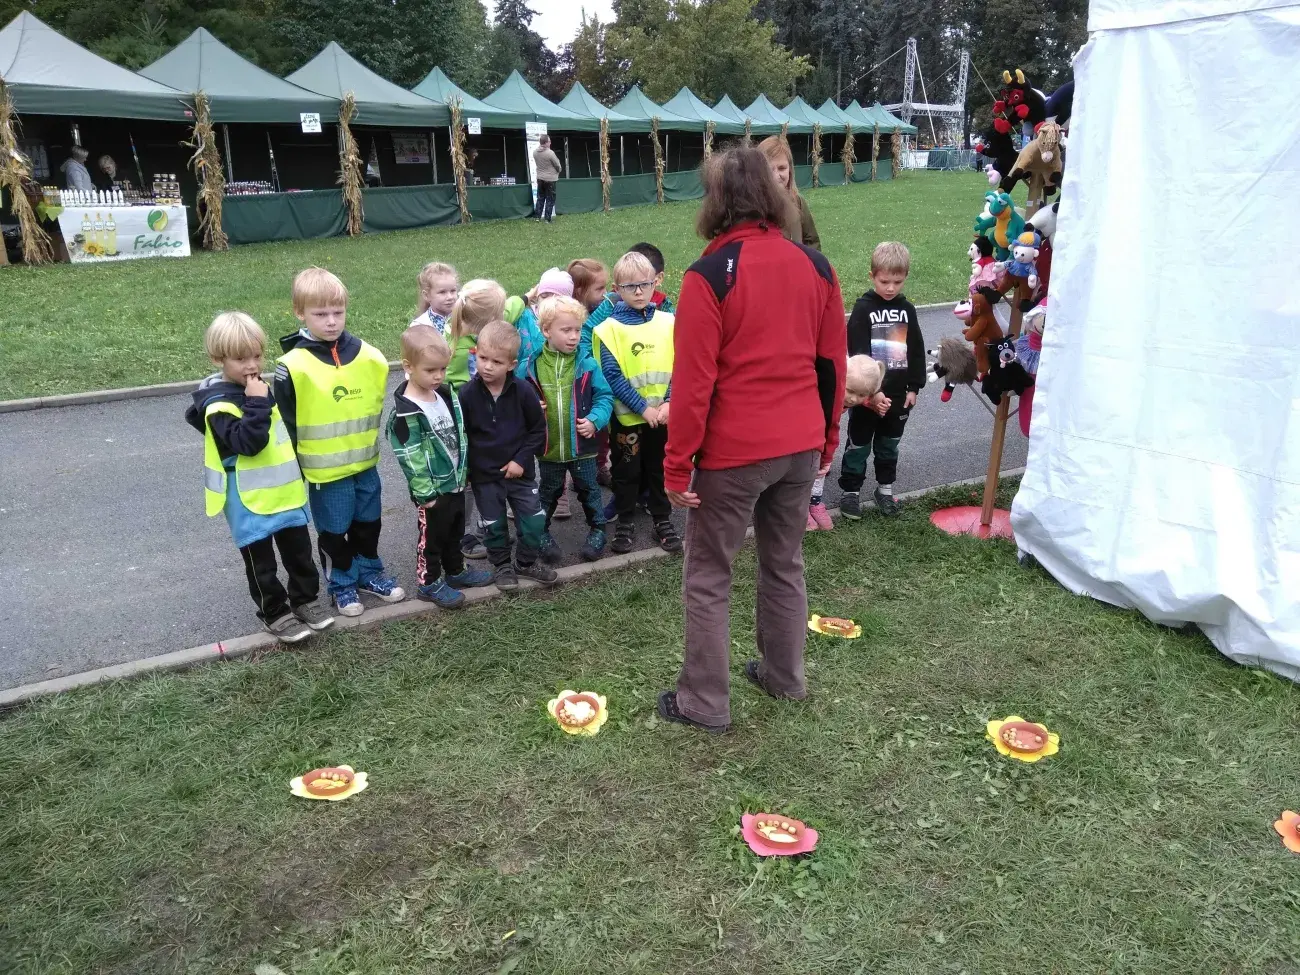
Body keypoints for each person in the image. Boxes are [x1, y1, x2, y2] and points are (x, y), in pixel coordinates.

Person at [658, 145, 847, 734]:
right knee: (784, 563)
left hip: (735, 453)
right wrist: (826, 438)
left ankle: (704, 701)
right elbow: (832, 367)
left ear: (715, 201)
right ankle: (784, 676)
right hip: (798, 445)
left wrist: (677, 465)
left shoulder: (709, 275)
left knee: (709, 575)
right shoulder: (816, 267)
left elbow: (693, 384)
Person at [185, 312, 333, 642]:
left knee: (299, 553)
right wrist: (256, 403)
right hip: (248, 501)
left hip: (284, 493)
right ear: (218, 360)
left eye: (257, 355)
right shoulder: (218, 405)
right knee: (261, 564)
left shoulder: (258, 388)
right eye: (241, 359)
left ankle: (305, 601)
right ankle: (275, 613)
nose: (252, 365)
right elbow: (248, 444)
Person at [274, 267, 405, 617]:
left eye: (338, 312)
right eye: (320, 314)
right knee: (334, 532)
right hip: (325, 474)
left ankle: (370, 573)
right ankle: (342, 583)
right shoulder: (292, 366)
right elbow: (287, 425)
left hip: (365, 465)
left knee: (369, 524)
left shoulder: (371, 357)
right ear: (299, 312)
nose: (331, 321)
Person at [387, 324, 494, 608]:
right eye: (430, 370)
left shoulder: (446, 396)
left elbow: (459, 436)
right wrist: (425, 493)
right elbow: (410, 457)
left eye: (443, 369)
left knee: (454, 532)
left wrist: (464, 471)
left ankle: (456, 571)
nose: (438, 376)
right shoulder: (405, 413)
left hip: (455, 482)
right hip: (432, 491)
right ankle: (429, 583)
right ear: (408, 367)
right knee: (432, 539)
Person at [457, 321, 559, 590]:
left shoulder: (524, 392)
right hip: (485, 477)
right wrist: (467, 471)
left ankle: (525, 563)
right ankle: (502, 566)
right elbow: (462, 437)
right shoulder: (466, 395)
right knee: (494, 525)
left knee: (534, 521)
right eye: (483, 358)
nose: (488, 367)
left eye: (497, 362)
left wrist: (520, 460)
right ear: (475, 354)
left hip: (520, 474)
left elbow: (537, 431)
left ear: (512, 365)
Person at [593, 251, 682, 556]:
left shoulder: (669, 322)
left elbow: (680, 365)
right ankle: (626, 521)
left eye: (645, 284)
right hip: (628, 420)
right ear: (616, 289)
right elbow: (613, 376)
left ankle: (662, 519)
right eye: (630, 286)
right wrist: (643, 409)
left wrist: (669, 401)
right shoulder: (607, 330)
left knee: (660, 468)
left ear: (655, 282)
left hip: (664, 417)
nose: (639, 292)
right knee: (626, 472)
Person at [518, 296, 614, 564]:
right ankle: (541, 533)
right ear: (546, 330)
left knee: (589, 490)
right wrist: (528, 407)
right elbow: (513, 398)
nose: (574, 336)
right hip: (548, 448)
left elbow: (605, 397)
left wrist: (595, 420)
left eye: (578, 330)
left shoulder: (587, 363)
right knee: (548, 492)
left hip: (583, 448)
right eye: (566, 330)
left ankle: (598, 530)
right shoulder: (530, 366)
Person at [839, 242, 925, 519]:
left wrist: (914, 387)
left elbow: (915, 348)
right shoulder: (863, 308)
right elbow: (857, 351)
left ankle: (885, 490)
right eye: (884, 281)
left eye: (897, 282)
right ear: (872, 276)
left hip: (899, 396)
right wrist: (872, 393)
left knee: (889, 445)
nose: (890, 288)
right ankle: (850, 492)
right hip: (866, 396)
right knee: (859, 445)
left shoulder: (907, 309)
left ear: (905, 277)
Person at [443, 279, 508, 559]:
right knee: (469, 481)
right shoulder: (461, 349)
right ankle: (461, 535)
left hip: (481, 422)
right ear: (489, 320)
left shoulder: (466, 336)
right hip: (466, 425)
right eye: (500, 314)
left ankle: (485, 525)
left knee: (484, 476)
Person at [807, 355, 886, 531]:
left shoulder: (852, 394)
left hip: (826, 435)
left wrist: (874, 402)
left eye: (861, 394)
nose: (853, 399)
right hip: (808, 432)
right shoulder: (823, 391)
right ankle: (801, 507)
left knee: (821, 469)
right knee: (804, 471)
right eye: (850, 391)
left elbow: (864, 397)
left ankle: (815, 503)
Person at [567, 259, 614, 487]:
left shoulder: (602, 309)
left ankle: (599, 466)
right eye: (599, 288)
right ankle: (578, 474)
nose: (605, 293)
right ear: (579, 291)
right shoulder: (571, 316)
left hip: (598, 377)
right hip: (579, 380)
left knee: (601, 427)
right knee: (580, 429)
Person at [757, 136, 821, 251]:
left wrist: (807, 260)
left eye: (782, 168)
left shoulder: (798, 202)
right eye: (769, 170)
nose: (776, 176)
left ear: (790, 170)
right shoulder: (751, 206)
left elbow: (812, 242)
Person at [411, 262, 459, 335]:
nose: (450, 297)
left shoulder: (465, 318)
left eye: (453, 290)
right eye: (442, 292)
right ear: (426, 295)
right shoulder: (420, 326)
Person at [629, 242, 676, 311]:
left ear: (659, 278)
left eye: (644, 284)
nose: (637, 291)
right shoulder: (615, 302)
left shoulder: (663, 306)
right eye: (630, 285)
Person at [532, 135, 562, 222]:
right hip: (550, 179)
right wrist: (559, 170)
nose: (550, 143)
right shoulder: (550, 153)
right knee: (550, 199)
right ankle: (547, 219)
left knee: (540, 197)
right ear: (545, 143)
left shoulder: (535, 152)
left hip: (540, 178)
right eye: (549, 141)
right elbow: (557, 165)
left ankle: (537, 217)